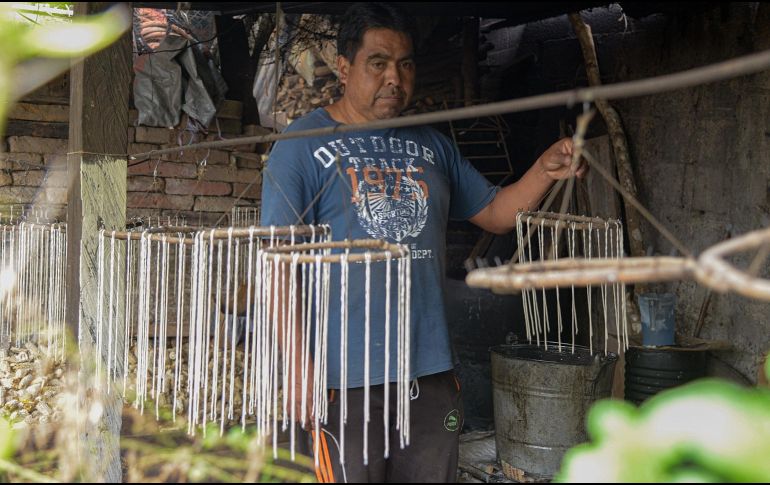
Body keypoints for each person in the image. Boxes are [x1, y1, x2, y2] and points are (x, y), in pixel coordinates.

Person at [260, 3, 585, 482]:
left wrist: (542, 170)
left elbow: (496, 214)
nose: (395, 77)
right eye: (378, 63)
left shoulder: (433, 145)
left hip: (427, 368)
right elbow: (277, 264)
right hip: (340, 375)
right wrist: (295, 366)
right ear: (345, 67)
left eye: (405, 64)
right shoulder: (301, 145)